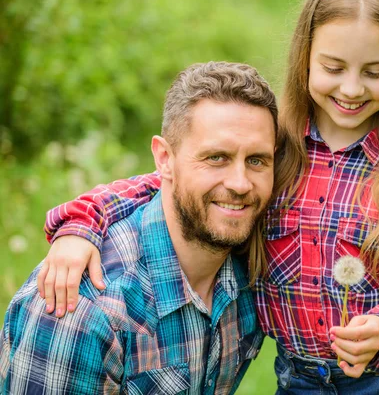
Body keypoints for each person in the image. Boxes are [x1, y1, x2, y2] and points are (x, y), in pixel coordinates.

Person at [36, 0, 379, 393]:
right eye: (333, 68)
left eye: (374, 72)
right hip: (299, 380)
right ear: (304, 58)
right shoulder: (276, 152)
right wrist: (81, 224)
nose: (351, 88)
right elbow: (171, 182)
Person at [0, 61, 279, 394]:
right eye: (216, 157)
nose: (240, 183)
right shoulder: (83, 310)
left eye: (257, 160)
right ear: (164, 159)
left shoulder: (256, 268)